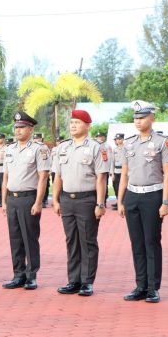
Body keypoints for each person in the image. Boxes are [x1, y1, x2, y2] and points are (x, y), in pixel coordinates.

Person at [116, 101, 168, 303]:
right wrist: (120, 200)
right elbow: (124, 174)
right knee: (137, 243)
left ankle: (153, 288)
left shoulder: (163, 142)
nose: (138, 121)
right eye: (136, 118)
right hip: (132, 196)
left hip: (152, 196)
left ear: (152, 118)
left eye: (142, 117)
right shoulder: (129, 143)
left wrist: (165, 201)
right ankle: (140, 285)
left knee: (151, 241)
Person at [52, 109, 109, 297]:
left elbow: (101, 178)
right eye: (71, 123)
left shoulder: (96, 147)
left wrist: (100, 204)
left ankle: (87, 282)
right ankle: (73, 280)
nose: (73, 126)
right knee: (72, 241)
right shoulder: (63, 147)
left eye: (77, 122)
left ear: (87, 125)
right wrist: (55, 199)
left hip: (87, 200)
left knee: (87, 241)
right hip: (67, 199)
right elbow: (57, 176)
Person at [0, 112, 51, 290]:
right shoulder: (9, 149)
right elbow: (5, 177)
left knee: (30, 238)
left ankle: (31, 276)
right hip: (12, 199)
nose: (18, 130)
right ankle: (18, 275)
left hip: (28, 198)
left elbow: (43, 177)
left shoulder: (39, 149)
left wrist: (38, 202)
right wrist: (4, 201)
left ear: (31, 129)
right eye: (16, 127)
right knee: (15, 239)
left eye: (22, 127)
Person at [34, 132, 51, 207]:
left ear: (41, 139)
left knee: (45, 185)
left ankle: (44, 200)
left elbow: (45, 159)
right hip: (35, 171)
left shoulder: (43, 147)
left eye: (38, 138)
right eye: (35, 138)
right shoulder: (31, 147)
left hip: (43, 169)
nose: (36, 140)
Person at [110, 134, 125, 209]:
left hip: (124, 171)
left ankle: (123, 203)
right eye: (116, 139)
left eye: (119, 139)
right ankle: (118, 202)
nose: (118, 141)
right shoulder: (114, 149)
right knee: (116, 187)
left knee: (124, 188)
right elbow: (112, 161)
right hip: (116, 171)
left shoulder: (126, 148)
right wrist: (112, 173)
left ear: (123, 139)